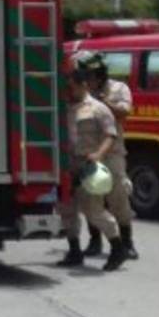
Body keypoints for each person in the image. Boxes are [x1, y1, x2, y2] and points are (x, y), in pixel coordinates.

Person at [57, 69, 127, 271]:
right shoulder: (63, 108)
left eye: (71, 86)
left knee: (94, 211)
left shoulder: (98, 108)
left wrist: (98, 154)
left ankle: (117, 247)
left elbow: (110, 135)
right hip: (67, 165)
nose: (68, 90)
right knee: (67, 209)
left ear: (83, 85)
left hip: (88, 165)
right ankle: (74, 251)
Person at [73, 51, 139, 260]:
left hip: (112, 153)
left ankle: (127, 242)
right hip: (88, 155)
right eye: (85, 76)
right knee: (90, 198)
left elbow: (123, 113)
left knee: (118, 196)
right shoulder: (80, 93)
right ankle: (95, 241)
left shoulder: (118, 88)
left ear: (100, 73)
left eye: (91, 75)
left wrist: (101, 101)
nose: (89, 79)